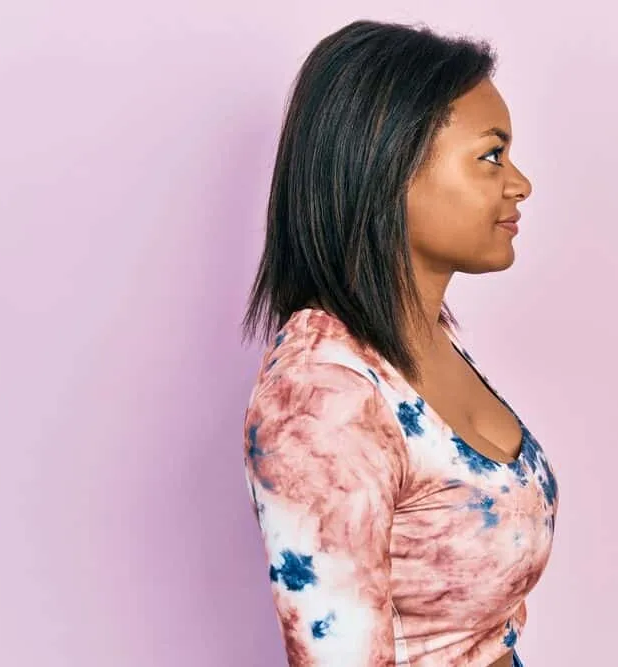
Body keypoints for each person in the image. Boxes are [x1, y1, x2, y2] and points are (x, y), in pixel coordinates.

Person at [240, 19, 558, 667]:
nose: (519, 182)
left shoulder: (421, 339)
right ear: (390, 167)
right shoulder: (325, 396)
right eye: (491, 155)